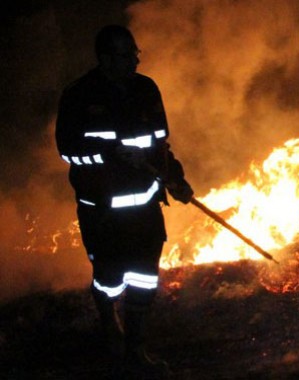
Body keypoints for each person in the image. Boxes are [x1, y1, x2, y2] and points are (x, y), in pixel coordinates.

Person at [55, 24, 193, 376]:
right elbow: (68, 151)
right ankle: (108, 317)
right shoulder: (79, 95)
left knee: (145, 279)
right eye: (124, 55)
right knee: (110, 278)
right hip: (102, 212)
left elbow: (160, 144)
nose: (133, 60)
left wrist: (175, 178)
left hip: (145, 208)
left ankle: (135, 350)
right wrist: (109, 152)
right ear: (104, 58)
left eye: (135, 53)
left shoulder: (146, 89)